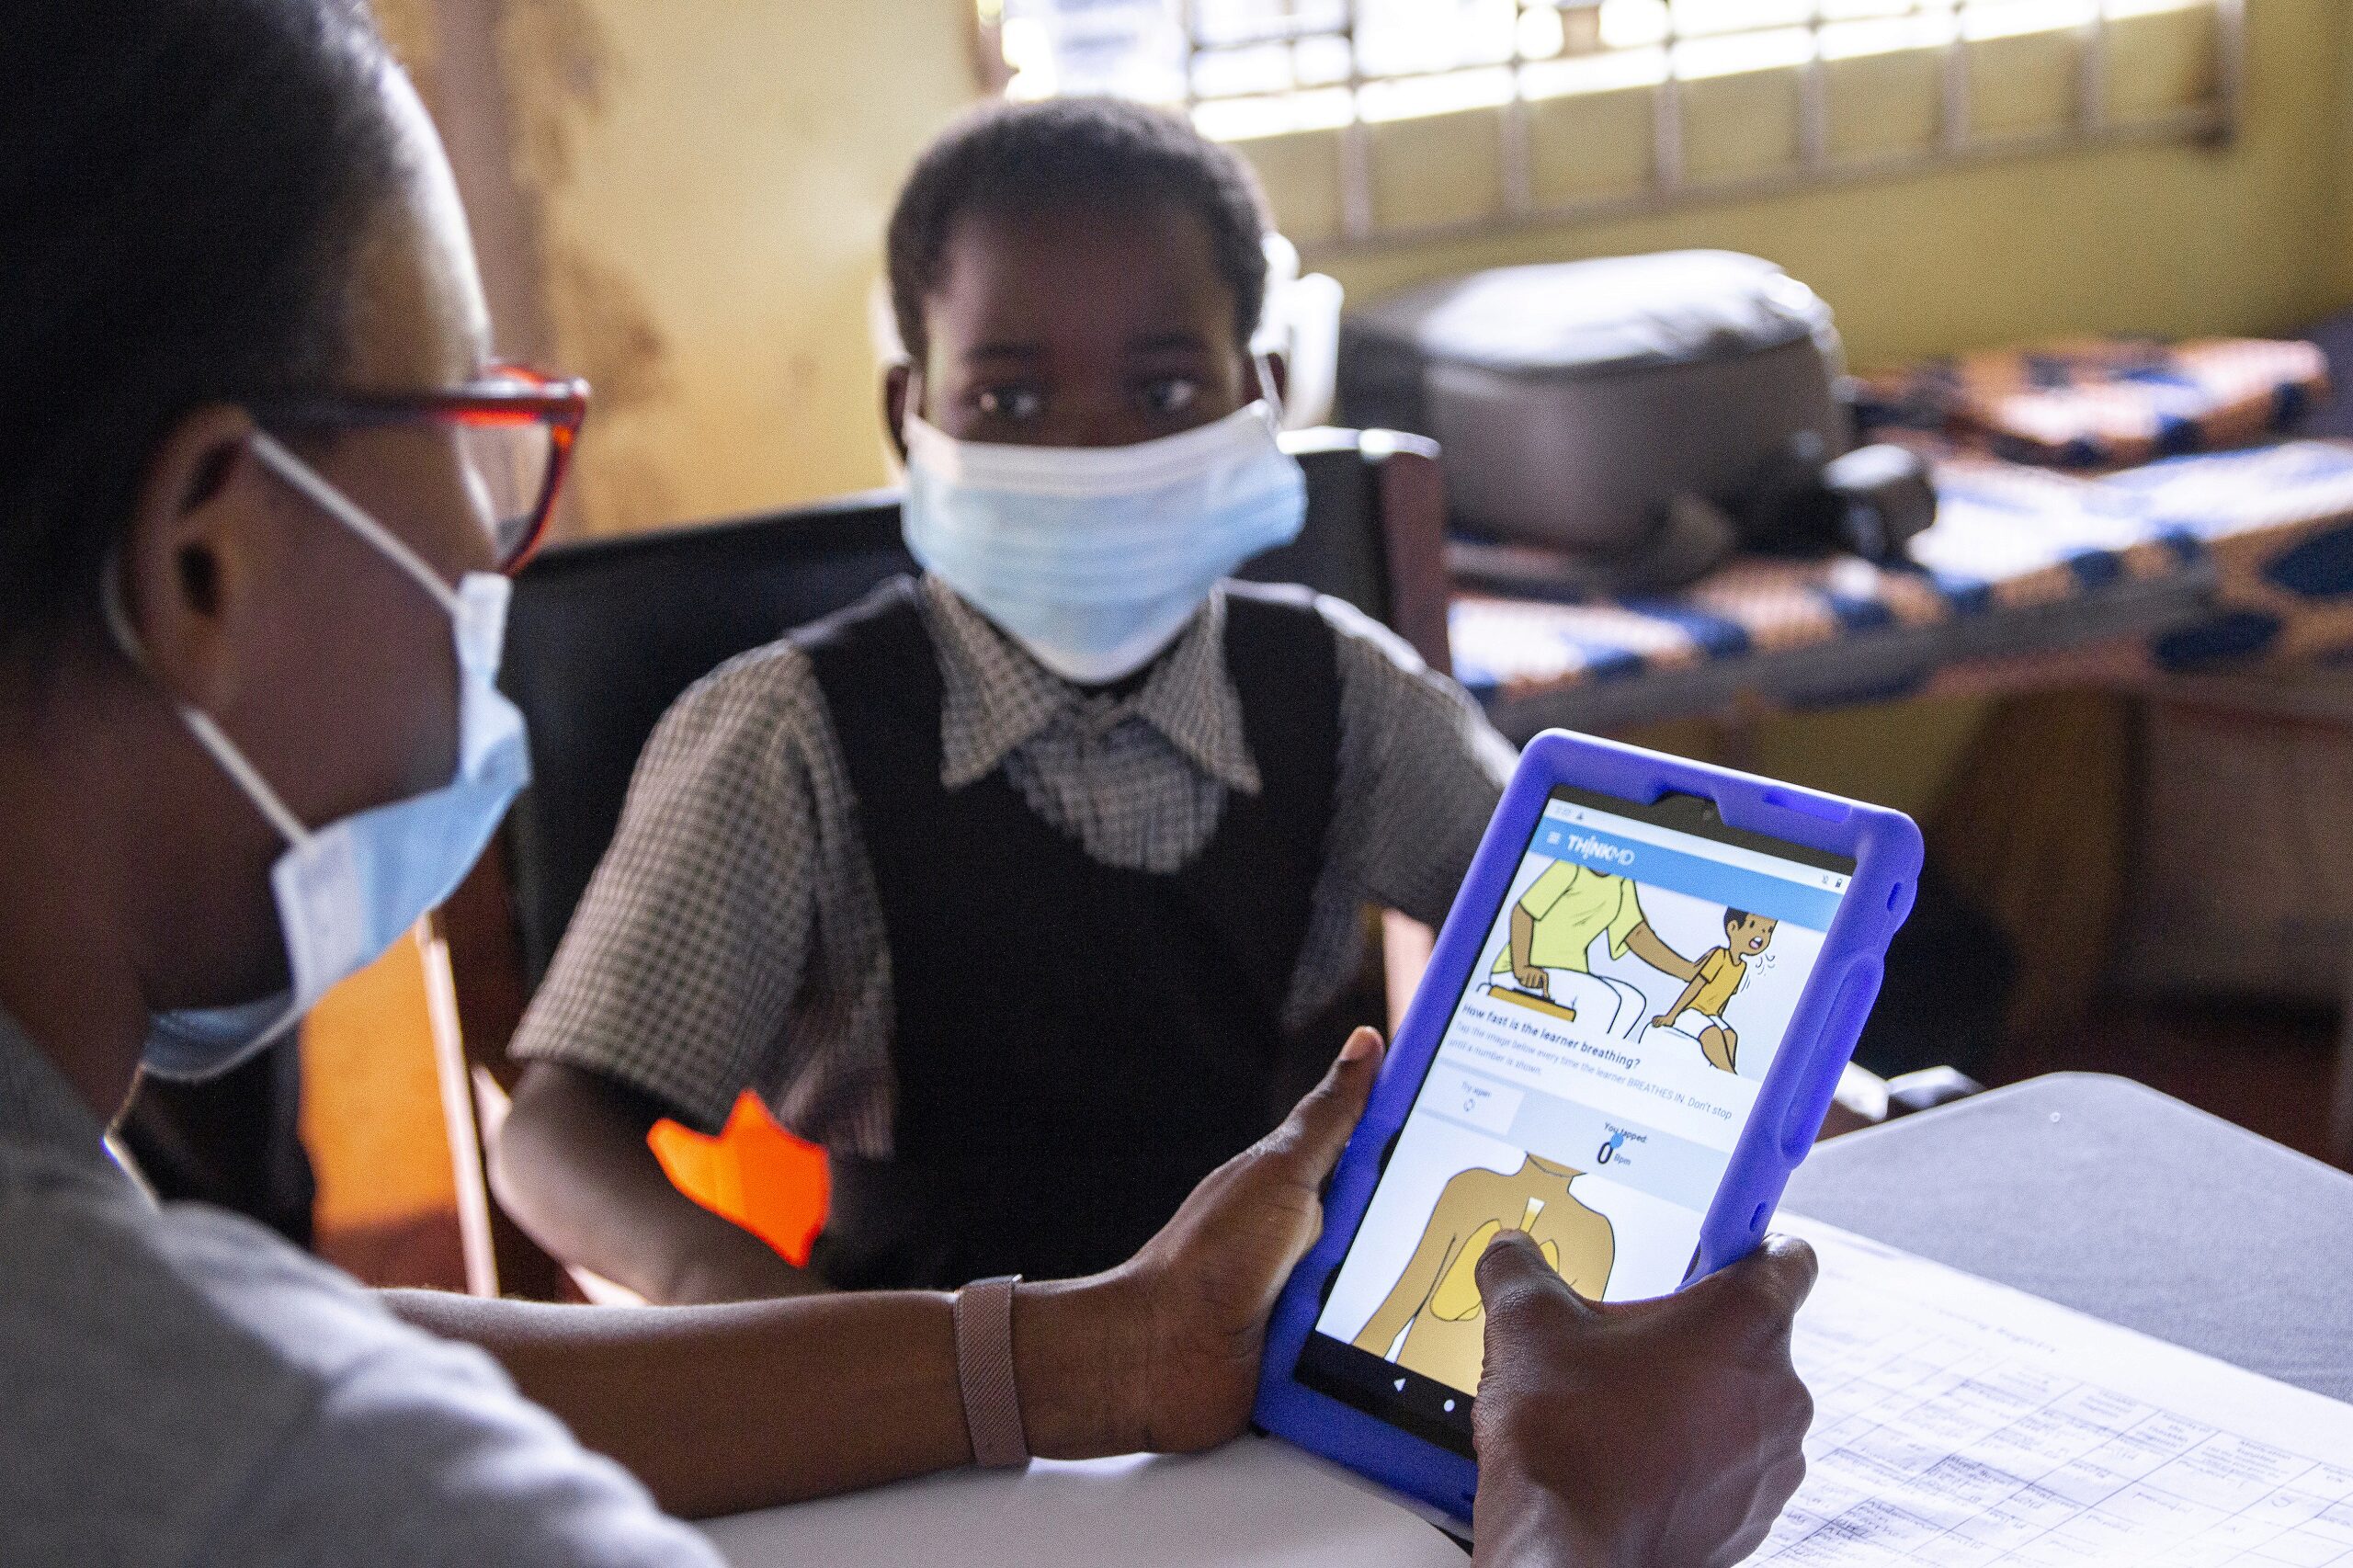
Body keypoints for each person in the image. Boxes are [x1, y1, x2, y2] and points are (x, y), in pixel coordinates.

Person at [0, 5, 1814, 1563]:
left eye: (1160, 386)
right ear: (207, 562)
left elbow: (333, 1350)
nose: (496, 545)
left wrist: (1084, 1354)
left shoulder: (1331, 690)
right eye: (477, 437)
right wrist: (1581, 1514)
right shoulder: (279, 1461)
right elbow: (349, 1373)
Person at [494, 97, 1523, 1301]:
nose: (1089, 449)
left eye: (1164, 392)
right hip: (931, 1396)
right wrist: (753, 1313)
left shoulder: (1346, 697)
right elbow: (555, 1131)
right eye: (1013, 403)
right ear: (909, 413)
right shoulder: (791, 738)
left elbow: (1577, 926)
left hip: (1274, 1370)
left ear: (1263, 396)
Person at [1497, 859, 1700, 1040]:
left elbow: (1635, 933)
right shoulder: (1571, 866)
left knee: (1632, 1001)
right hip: (1533, 973)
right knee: (1604, 1000)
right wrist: (1522, 967)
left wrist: (1689, 972)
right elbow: (1522, 912)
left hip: (1573, 975)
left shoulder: (1621, 879)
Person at [1654, 910, 1779, 1073]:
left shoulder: (1741, 967)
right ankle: (1730, 1074)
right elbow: (1695, 986)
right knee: (1712, 1034)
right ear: (1733, 928)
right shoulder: (1720, 956)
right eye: (1753, 925)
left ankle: (1722, 1077)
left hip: (1711, 1014)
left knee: (1730, 1036)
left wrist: (1718, 1018)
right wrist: (1671, 1015)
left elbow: (1724, 998)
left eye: (1769, 930)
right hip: (1692, 1011)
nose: (1762, 934)